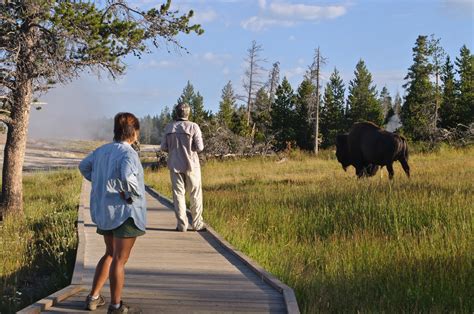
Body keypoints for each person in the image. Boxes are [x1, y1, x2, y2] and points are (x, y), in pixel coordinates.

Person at [79, 112, 146, 314]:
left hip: (106, 212)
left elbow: (83, 166)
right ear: (133, 133)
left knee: (109, 254)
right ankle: (116, 306)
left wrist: (101, 182)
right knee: (119, 259)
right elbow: (127, 177)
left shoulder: (101, 151)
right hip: (126, 213)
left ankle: (93, 298)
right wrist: (128, 194)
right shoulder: (129, 154)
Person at [161, 103, 206, 232]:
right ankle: (197, 224)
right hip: (191, 165)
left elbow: (163, 147)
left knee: (178, 195)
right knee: (195, 194)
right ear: (188, 113)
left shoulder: (169, 127)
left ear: (176, 113)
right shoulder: (193, 127)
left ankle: (182, 225)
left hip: (175, 164)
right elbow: (200, 147)